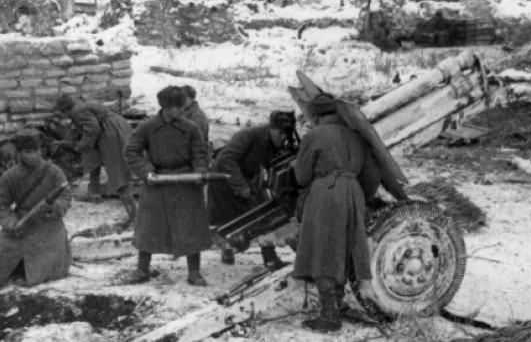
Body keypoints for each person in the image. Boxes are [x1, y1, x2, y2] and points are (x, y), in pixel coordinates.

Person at [292, 93, 376, 332]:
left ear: (316, 115)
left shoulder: (315, 135)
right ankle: (336, 304)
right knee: (344, 250)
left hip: (326, 194)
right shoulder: (358, 135)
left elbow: (302, 176)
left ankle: (330, 315)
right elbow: (371, 175)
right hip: (354, 192)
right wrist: (359, 196)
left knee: (324, 251)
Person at [124, 86, 211, 286]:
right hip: (157, 182)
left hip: (185, 182)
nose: (181, 109)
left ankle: (194, 272)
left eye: (182, 105)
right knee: (149, 228)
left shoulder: (191, 127)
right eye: (177, 106)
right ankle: (142, 269)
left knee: (191, 227)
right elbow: (132, 152)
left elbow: (200, 153)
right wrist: (147, 172)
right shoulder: (147, 127)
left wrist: (199, 171)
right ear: (165, 107)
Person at [0, 129, 71, 304]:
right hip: (21, 225)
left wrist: (54, 208)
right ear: (19, 153)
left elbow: (65, 197)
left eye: (36, 151)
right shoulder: (10, 176)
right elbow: (1, 205)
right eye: (28, 152)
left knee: (47, 268)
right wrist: (12, 223)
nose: (33, 156)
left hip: (48, 225)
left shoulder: (54, 172)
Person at [207, 110, 296, 268]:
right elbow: (227, 159)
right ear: (271, 128)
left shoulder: (276, 142)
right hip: (223, 178)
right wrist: (242, 187)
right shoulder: (247, 135)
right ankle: (227, 247)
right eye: (280, 133)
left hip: (247, 177)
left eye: (286, 134)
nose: (283, 138)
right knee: (227, 219)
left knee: (264, 213)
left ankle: (269, 256)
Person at [54, 94, 136, 225]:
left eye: (61, 114)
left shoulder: (77, 111)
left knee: (118, 173)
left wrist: (81, 146)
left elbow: (92, 128)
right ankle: (97, 194)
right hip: (113, 128)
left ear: (65, 110)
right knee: (100, 161)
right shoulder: (81, 106)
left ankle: (134, 216)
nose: (63, 117)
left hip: (111, 133)